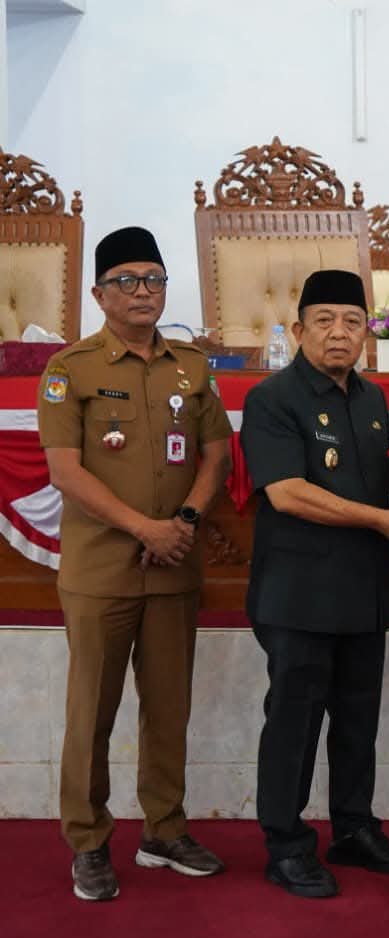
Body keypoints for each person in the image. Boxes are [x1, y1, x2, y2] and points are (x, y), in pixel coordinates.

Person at [38, 226, 232, 901]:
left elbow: (216, 454)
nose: (143, 291)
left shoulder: (191, 366)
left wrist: (183, 522)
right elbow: (65, 472)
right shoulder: (70, 369)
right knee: (91, 711)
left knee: (169, 709)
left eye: (154, 278)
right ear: (99, 294)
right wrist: (144, 527)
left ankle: (165, 830)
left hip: (174, 565)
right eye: (126, 280)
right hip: (101, 572)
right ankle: (88, 841)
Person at [240, 269, 389, 898]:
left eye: (353, 322)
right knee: (294, 723)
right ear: (299, 329)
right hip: (298, 593)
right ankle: (285, 843)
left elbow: (363, 481)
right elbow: (288, 492)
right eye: (324, 320)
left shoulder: (372, 399)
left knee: (357, 720)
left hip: (362, 588)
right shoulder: (272, 399)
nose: (339, 333)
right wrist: (382, 519)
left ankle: (353, 827)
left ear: (367, 334)